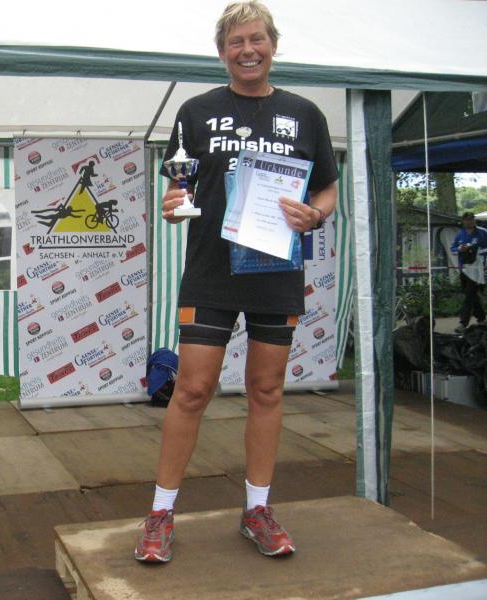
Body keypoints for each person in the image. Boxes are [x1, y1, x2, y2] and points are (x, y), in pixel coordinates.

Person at [134, 0, 338, 563]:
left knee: (266, 390)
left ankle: (257, 510)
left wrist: (315, 214)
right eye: (236, 42)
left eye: (256, 39)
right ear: (222, 52)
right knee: (191, 390)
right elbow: (179, 190)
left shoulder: (305, 114)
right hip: (211, 272)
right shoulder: (196, 111)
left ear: (273, 44)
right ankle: (160, 514)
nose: (248, 50)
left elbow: (326, 189)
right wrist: (173, 204)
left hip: (276, 272)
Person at [450, 211, 487, 333]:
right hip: (463, 268)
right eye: (467, 220)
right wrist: (460, 249)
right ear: (463, 221)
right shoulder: (460, 234)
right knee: (470, 294)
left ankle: (463, 323)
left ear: (474, 220)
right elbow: (452, 249)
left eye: (471, 219)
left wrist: (476, 250)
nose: (469, 222)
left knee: (469, 295)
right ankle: (481, 318)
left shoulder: (483, 232)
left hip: (477, 269)